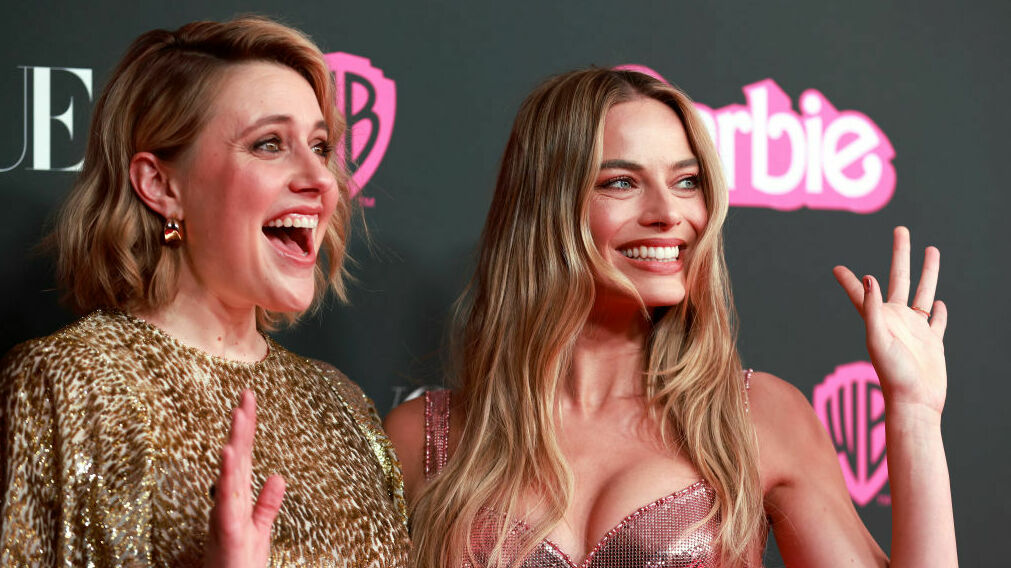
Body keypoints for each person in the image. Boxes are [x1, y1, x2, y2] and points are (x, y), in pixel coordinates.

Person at [384, 69, 957, 567]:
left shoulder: (758, 417)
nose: (669, 213)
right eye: (622, 183)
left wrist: (914, 414)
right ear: (546, 208)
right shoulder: (422, 437)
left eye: (687, 182)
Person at [0, 17, 410, 566]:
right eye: (269, 144)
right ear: (161, 186)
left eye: (319, 145)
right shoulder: (64, 386)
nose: (322, 181)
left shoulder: (342, 403)